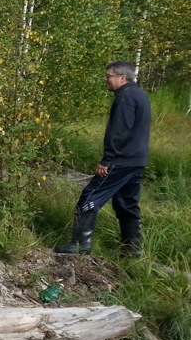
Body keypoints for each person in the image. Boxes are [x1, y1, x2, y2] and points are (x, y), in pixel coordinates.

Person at [54, 61, 151, 256]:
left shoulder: (125, 97)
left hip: (120, 160)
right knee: (126, 203)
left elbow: (119, 132)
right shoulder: (139, 95)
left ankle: (80, 245)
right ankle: (131, 249)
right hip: (136, 160)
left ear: (122, 77)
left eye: (108, 76)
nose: (105, 80)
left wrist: (107, 159)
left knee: (89, 197)